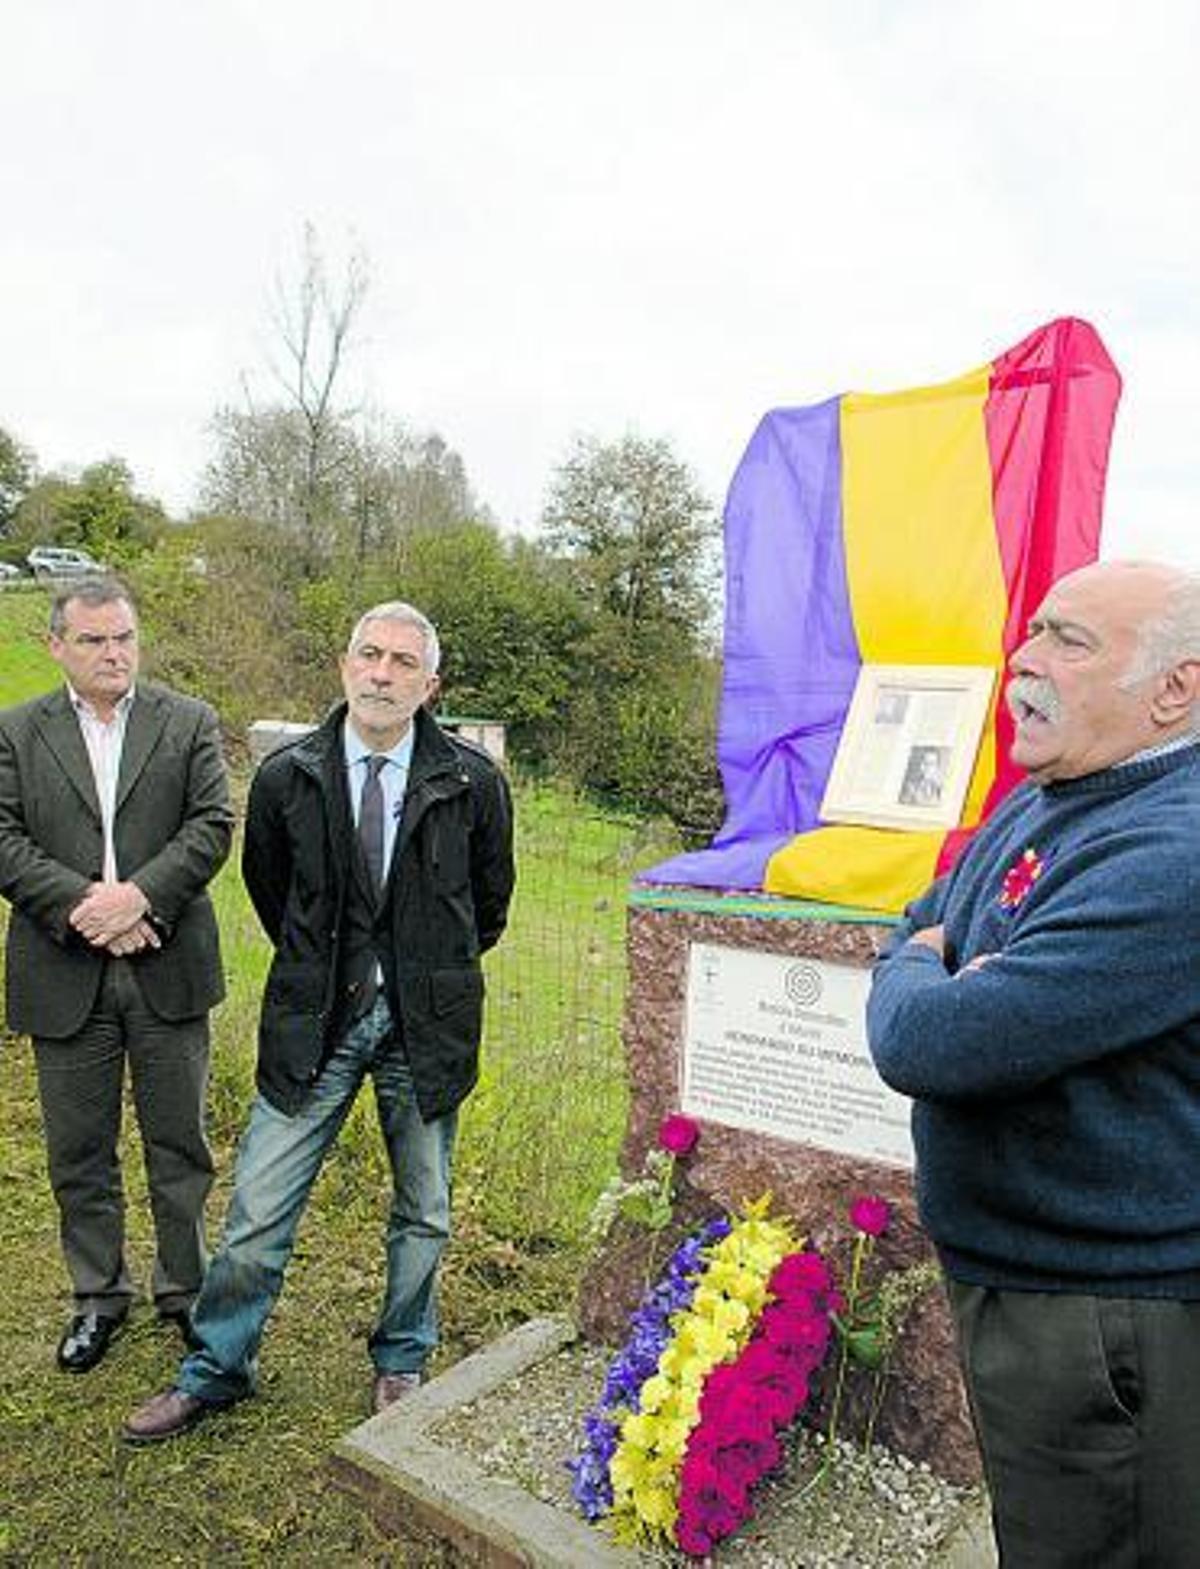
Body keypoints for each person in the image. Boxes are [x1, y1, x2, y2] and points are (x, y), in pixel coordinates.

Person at [866, 559, 1200, 1567]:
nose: (1023, 659)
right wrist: (932, 961)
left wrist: (924, 974)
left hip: (1103, 1316)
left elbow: (929, 1042)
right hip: (1027, 1280)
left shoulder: (1173, 851)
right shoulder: (1051, 793)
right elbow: (921, 922)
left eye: (1070, 640)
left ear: (1175, 690)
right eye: (1035, 632)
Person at [123, 600, 514, 1442]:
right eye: (369, 655)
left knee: (425, 1208)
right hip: (316, 1022)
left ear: (430, 683)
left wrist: (415, 969)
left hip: (426, 1025)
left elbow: (488, 908)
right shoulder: (287, 775)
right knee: (260, 1207)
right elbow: (273, 893)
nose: (382, 673)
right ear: (343, 665)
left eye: (402, 662)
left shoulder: (473, 783)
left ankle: (401, 1357)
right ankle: (217, 1367)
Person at [0, 577, 233, 1372]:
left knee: (180, 1144)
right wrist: (84, 906)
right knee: (79, 1150)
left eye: (124, 637)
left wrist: (140, 899)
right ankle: (98, 1297)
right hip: (63, 968)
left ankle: (186, 1292)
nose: (114, 654)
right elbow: (2, 838)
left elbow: (211, 825)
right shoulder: (15, 733)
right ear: (57, 645)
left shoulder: (189, 721)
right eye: (95, 640)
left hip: (166, 961)